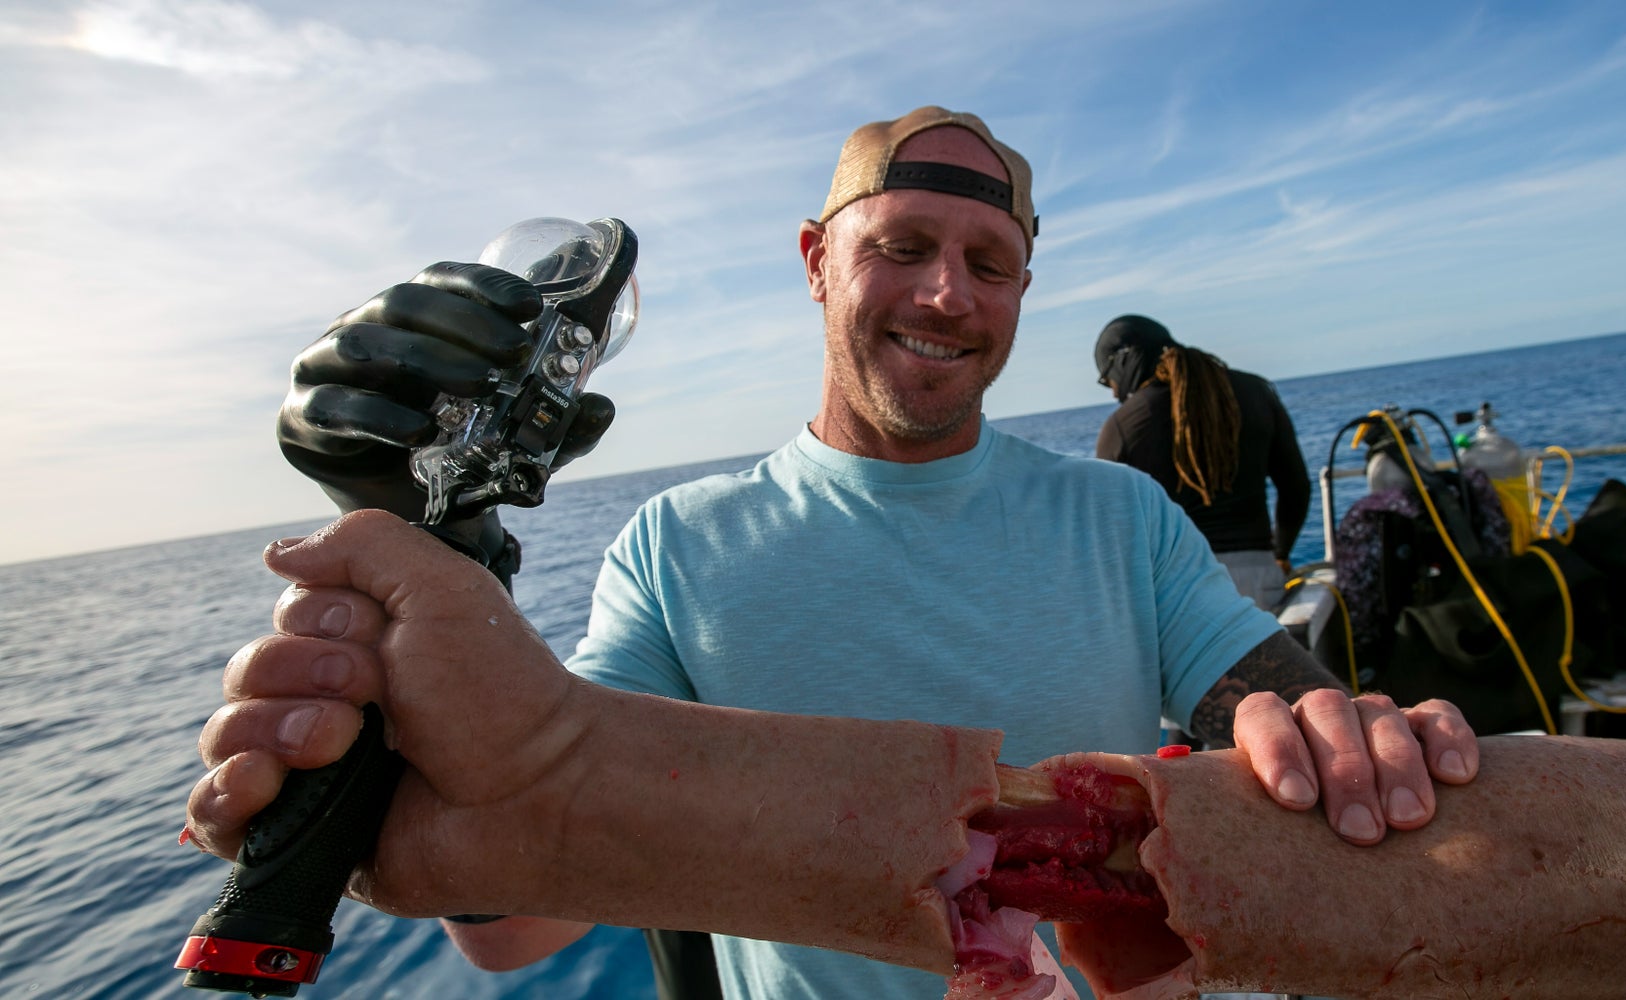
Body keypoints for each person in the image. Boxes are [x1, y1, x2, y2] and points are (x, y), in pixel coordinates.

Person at [203, 106, 1479, 1000]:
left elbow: (1259, 688)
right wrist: (442, 566)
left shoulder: (1118, 515)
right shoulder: (675, 545)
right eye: (902, 248)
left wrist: (1332, 729)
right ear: (817, 262)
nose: (946, 295)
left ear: (1022, 292)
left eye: (989, 262)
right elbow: (513, 927)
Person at [1094, 315, 1309, 611]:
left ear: (1125, 360)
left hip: (1178, 592)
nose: (1115, 392)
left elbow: (1107, 531)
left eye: (1108, 380)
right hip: (1259, 578)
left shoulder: (1124, 425)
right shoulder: (1257, 391)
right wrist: (1281, 554)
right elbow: (1296, 488)